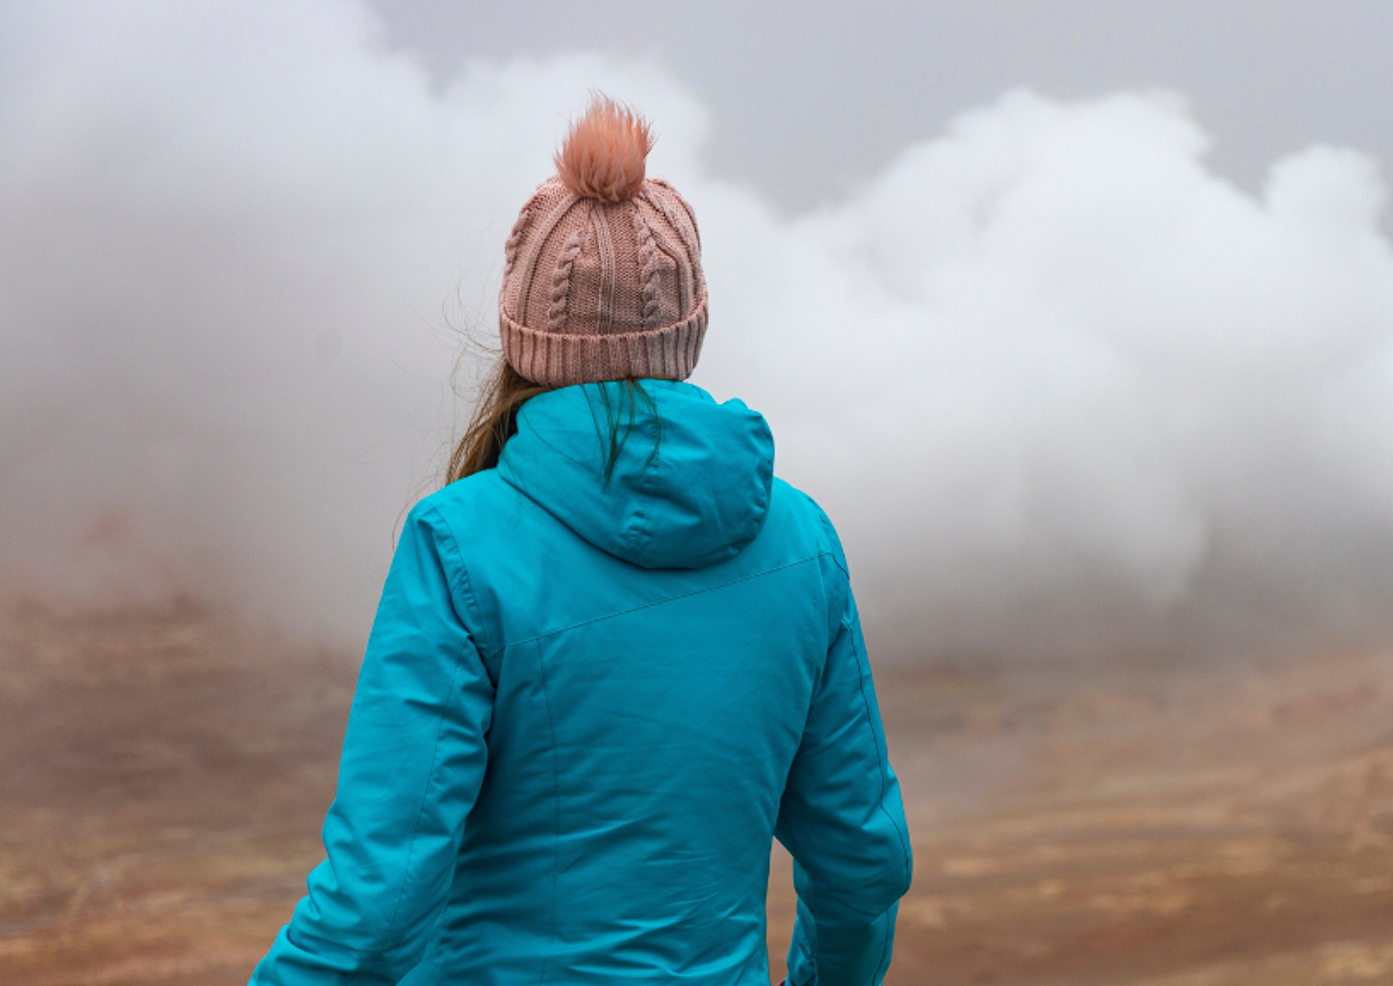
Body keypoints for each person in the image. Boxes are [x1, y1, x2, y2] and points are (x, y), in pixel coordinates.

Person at [249, 96, 912, 986]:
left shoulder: (457, 544)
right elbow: (863, 862)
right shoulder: (803, 540)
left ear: (524, 333)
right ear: (688, 324)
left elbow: (377, 901)